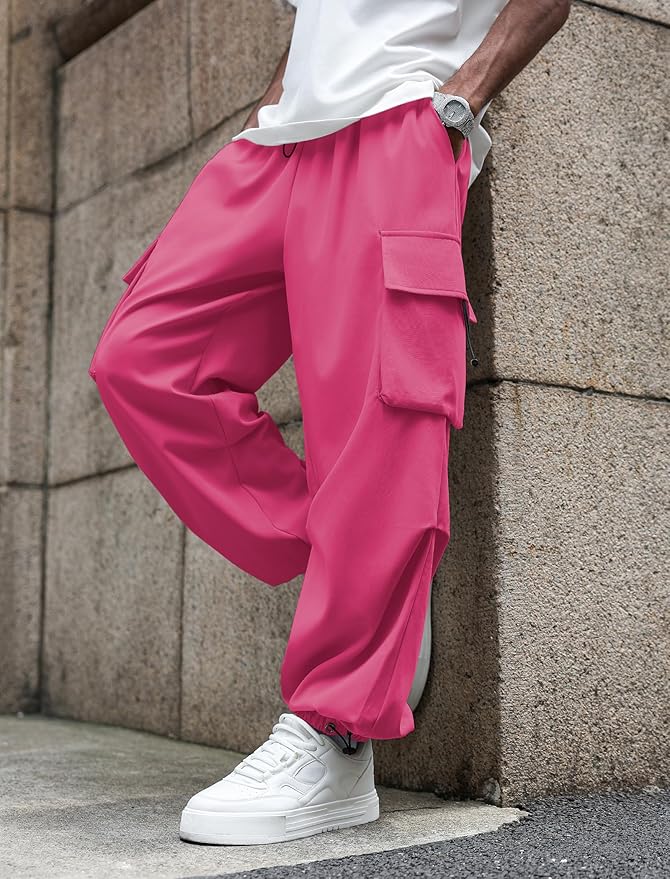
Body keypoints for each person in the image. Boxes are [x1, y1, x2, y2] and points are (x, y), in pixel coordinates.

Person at [88, 0, 570, 846]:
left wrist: (458, 102)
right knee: (144, 359)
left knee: (377, 419)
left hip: (399, 120)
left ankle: (337, 735)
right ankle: (364, 571)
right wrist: (270, 104)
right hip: (281, 141)